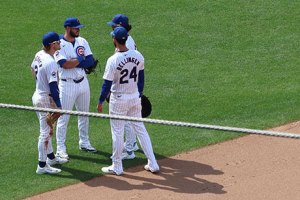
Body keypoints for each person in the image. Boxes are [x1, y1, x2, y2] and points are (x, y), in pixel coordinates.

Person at [97, 27, 160, 175]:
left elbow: (106, 84)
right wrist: (139, 94)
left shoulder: (113, 60)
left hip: (118, 100)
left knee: (117, 133)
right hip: (134, 97)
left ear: (115, 40)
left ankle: (117, 166)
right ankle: (153, 163)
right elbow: (141, 78)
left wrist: (100, 101)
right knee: (141, 129)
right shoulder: (138, 55)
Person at [54, 17, 97, 160]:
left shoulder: (82, 41)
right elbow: (63, 64)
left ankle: (84, 142)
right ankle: (61, 148)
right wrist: (80, 59)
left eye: (79, 27)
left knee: (84, 114)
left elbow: (90, 61)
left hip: (83, 83)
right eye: (75, 27)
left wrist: (74, 61)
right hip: (67, 85)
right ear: (67, 28)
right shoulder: (59, 44)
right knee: (63, 117)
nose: (78, 29)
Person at [31, 32, 68, 174]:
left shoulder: (39, 54)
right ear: (53, 45)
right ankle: (42, 165)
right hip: (44, 99)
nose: (60, 43)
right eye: (58, 42)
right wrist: (58, 105)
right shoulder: (51, 62)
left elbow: (32, 69)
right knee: (45, 132)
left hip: (39, 94)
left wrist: (40, 83)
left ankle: (51, 158)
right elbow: (53, 87)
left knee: (48, 128)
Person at [107, 14, 139, 160]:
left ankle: (129, 149)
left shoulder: (128, 44)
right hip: (130, 83)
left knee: (127, 119)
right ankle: (132, 144)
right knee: (130, 118)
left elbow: (123, 66)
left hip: (126, 86)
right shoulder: (127, 40)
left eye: (114, 25)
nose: (112, 27)